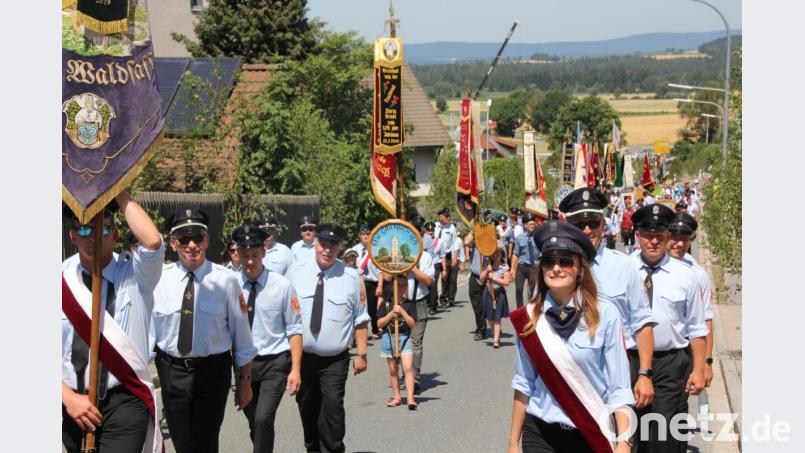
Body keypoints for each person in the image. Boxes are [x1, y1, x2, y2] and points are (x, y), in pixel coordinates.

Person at [508, 221, 634, 453]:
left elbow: (619, 387)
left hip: (588, 430)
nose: (556, 268)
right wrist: (513, 442)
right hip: (540, 430)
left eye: (565, 261)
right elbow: (523, 383)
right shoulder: (529, 318)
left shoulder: (606, 314)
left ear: (580, 269)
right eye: (549, 261)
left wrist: (624, 443)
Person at [62, 193, 165, 453]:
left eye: (103, 227)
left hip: (124, 400)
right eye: (84, 228)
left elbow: (152, 242)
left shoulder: (135, 276)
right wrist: (67, 397)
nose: (93, 235)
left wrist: (113, 186)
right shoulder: (60, 283)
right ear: (72, 236)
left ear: (116, 234)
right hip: (73, 403)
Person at [152, 208, 257, 453]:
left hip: (212, 371)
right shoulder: (158, 279)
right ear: (173, 243)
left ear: (207, 240)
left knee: (206, 442)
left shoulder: (226, 280)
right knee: (182, 443)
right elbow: (149, 334)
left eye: (198, 238)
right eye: (184, 239)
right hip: (172, 371)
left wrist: (245, 381)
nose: (191, 245)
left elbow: (242, 335)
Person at [559, 188, 657, 412]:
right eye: (579, 224)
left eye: (593, 222)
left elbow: (642, 323)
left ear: (603, 225)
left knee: (622, 440)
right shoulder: (556, 268)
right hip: (572, 369)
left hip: (620, 368)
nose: (587, 230)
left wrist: (644, 374)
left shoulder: (624, 266)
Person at [630, 204, 708, 453]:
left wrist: (699, 369)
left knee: (663, 434)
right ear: (637, 236)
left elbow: (696, 327)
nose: (653, 241)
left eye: (659, 236)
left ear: (667, 236)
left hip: (670, 363)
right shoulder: (623, 269)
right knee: (629, 432)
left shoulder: (687, 276)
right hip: (629, 360)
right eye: (647, 235)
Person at [285, 224, 370, 453]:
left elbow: (360, 319)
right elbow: (285, 314)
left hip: (335, 360)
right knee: (307, 409)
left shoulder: (351, 277)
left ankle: (333, 449)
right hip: (303, 359)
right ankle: (312, 448)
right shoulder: (295, 272)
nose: (327, 250)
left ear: (340, 247)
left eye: (333, 246)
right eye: (323, 244)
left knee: (332, 410)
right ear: (315, 243)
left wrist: (361, 354)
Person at [231, 223, 303, 453]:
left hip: (275, 362)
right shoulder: (230, 285)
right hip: (244, 364)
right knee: (253, 420)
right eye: (244, 255)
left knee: (263, 419)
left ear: (263, 252)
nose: (250, 261)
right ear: (237, 254)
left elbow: (294, 328)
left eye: (254, 255)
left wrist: (296, 369)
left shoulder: (282, 286)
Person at [666, 211, 716, 442]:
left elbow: (706, 321)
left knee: (676, 410)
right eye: (674, 236)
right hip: (648, 354)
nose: (678, 243)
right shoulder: (643, 266)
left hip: (683, 353)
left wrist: (705, 363)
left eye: (684, 238)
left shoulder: (697, 275)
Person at [376, 274, 419, 410]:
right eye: (398, 286)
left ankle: (411, 398)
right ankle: (397, 397)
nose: (400, 288)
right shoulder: (386, 303)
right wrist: (391, 314)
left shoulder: (409, 303)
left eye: (402, 286)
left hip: (404, 337)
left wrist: (402, 312)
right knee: (393, 370)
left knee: (407, 368)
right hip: (388, 338)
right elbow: (379, 323)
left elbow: (412, 324)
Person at [349, 225, 381, 339]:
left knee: (372, 309)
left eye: (367, 234)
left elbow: (380, 270)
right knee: (360, 308)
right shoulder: (354, 249)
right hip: (359, 282)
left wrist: (380, 286)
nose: (365, 236)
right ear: (359, 236)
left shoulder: (375, 249)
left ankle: (375, 329)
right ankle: (360, 333)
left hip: (373, 282)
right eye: (363, 234)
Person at [481, 245, 511, 348]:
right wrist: (486, 271)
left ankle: (496, 340)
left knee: (497, 317)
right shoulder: (488, 264)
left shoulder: (505, 266)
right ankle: (496, 332)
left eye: (498, 254)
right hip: (488, 291)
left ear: (502, 255)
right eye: (494, 254)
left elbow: (506, 282)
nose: (496, 256)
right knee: (489, 318)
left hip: (499, 293)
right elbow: (481, 279)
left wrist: (495, 278)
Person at [509, 212, 540, 309]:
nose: (532, 225)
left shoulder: (539, 237)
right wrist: (512, 269)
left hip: (533, 268)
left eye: (533, 223)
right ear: (525, 225)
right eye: (530, 224)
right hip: (521, 267)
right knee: (518, 289)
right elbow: (515, 254)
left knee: (532, 291)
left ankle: (531, 309)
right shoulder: (520, 238)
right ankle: (520, 310)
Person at [464, 231, 487, 341]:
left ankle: (495, 324)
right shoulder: (474, 243)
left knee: (488, 304)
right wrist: (475, 229)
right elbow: (466, 241)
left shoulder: (492, 245)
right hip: (475, 276)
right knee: (477, 306)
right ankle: (481, 329)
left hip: (488, 277)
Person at [434, 208, 457, 309]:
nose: (448, 218)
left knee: (445, 278)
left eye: (448, 217)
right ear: (440, 217)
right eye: (445, 217)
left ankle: (444, 298)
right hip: (435, 255)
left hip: (447, 255)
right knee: (434, 279)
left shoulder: (451, 227)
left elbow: (454, 243)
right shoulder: (434, 226)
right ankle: (433, 302)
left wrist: (455, 257)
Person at [423, 221, 443, 316]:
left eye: (432, 230)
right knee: (427, 286)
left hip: (435, 264)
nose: (430, 232)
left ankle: (432, 306)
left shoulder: (438, 240)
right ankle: (430, 304)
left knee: (433, 285)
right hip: (425, 265)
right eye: (428, 230)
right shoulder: (423, 239)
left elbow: (442, 254)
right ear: (425, 230)